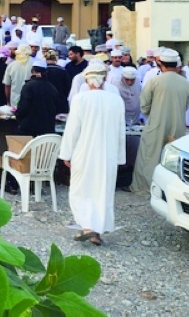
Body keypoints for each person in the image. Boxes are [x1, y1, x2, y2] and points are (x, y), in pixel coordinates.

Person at [59, 64, 127, 247]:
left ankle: (87, 227)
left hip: (84, 152)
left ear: (87, 79)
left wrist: (66, 153)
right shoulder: (116, 100)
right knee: (102, 192)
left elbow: (72, 129)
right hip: (108, 155)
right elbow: (122, 132)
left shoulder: (80, 99)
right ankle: (97, 232)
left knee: (82, 190)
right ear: (104, 79)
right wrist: (120, 157)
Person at [130, 49, 189, 194]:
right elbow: (185, 106)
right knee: (173, 160)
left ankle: (145, 188)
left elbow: (144, 106)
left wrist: (154, 114)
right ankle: (170, 191)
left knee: (149, 157)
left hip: (156, 124)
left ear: (160, 64)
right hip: (177, 125)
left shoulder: (154, 81)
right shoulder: (186, 84)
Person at [15, 58, 64, 137]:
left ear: (33, 71)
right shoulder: (52, 88)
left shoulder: (28, 86)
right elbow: (57, 108)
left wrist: (17, 115)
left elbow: (23, 107)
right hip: (47, 130)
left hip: (29, 129)